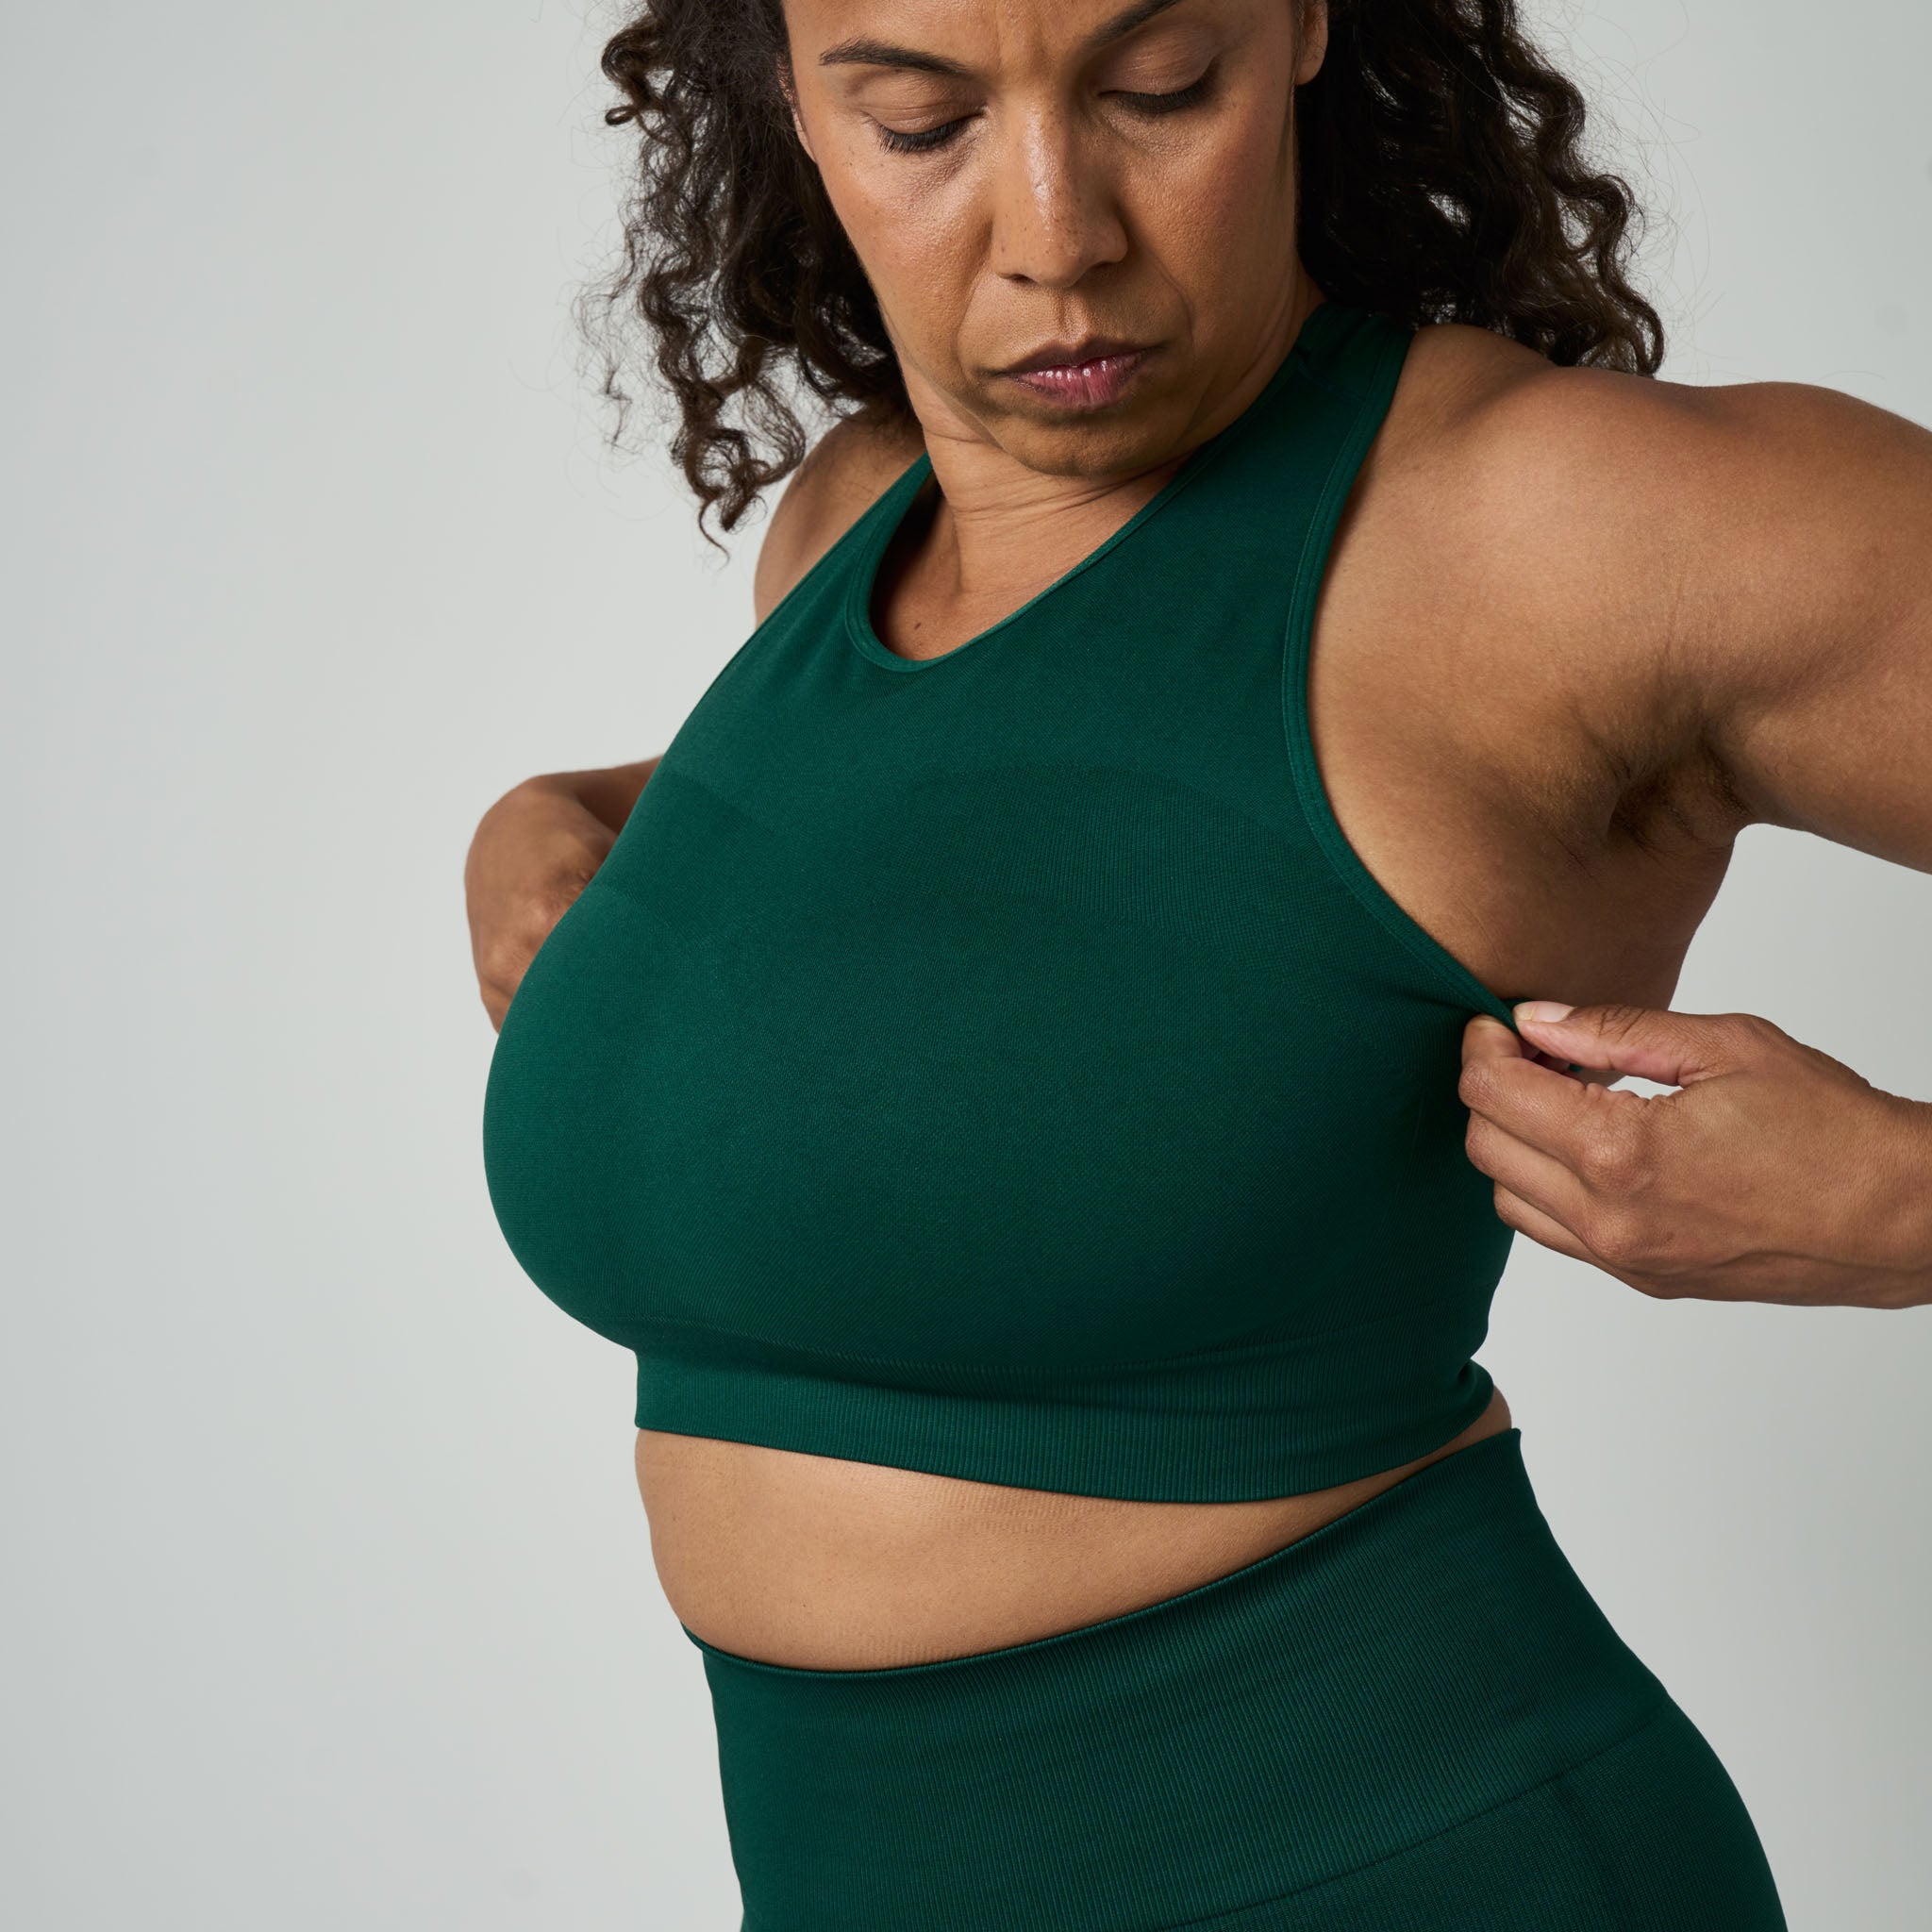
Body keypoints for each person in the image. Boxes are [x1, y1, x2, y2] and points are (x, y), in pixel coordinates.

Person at [468, 0, 1931, 1923]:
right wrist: (561, 812)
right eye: (919, 120)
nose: (1057, 230)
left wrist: (1909, 1201)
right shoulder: (850, 528)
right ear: (789, 99)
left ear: (1300, 26)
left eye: (1160, 90)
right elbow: (1045, 852)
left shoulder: (1577, 532)